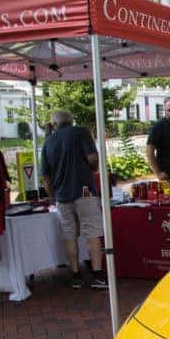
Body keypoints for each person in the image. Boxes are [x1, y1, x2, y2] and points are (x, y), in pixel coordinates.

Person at [40, 109, 107, 290]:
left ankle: (75, 274)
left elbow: (46, 178)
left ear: (54, 124)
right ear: (71, 120)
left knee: (69, 235)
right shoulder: (81, 132)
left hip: (62, 196)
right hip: (84, 191)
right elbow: (93, 158)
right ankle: (97, 275)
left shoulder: (48, 142)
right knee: (92, 232)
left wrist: (53, 196)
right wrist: (92, 168)